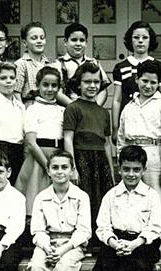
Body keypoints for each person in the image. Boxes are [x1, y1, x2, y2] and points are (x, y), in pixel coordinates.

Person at [93, 145, 161, 271]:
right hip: (116, 241)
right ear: (119, 168)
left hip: (143, 242)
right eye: (126, 169)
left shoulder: (151, 195)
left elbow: (154, 227)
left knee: (136, 267)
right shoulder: (111, 195)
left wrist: (133, 245)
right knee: (104, 269)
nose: (131, 174)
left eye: (136, 169)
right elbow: (102, 226)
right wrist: (114, 243)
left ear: (143, 169)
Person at [20, 150, 91, 271]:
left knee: (65, 265)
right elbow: (37, 230)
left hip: (71, 245)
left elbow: (84, 231)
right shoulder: (41, 197)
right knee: (37, 266)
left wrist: (61, 250)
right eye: (55, 167)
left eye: (64, 167)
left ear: (72, 170)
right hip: (47, 243)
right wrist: (48, 248)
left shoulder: (81, 197)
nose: (60, 172)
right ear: (48, 171)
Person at [118, 60, 161, 256]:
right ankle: (138, 247)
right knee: (135, 201)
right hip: (132, 155)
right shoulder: (130, 105)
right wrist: (121, 159)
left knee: (160, 204)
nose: (148, 86)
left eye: (153, 83)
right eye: (144, 81)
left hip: (155, 155)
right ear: (137, 80)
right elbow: (121, 134)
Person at [63, 62, 115, 237]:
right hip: (81, 157)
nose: (92, 86)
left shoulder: (103, 112)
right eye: (87, 82)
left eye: (96, 82)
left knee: (101, 200)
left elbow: (107, 143)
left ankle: (100, 238)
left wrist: (111, 168)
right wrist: (73, 168)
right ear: (79, 83)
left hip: (100, 160)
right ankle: (83, 238)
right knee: (83, 198)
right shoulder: (73, 108)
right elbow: (68, 138)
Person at [15, 67, 65, 217]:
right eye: (45, 84)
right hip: (39, 158)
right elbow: (31, 142)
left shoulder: (62, 110)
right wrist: (48, 167)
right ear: (37, 85)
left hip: (59, 157)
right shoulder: (32, 109)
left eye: (54, 85)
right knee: (35, 201)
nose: (50, 89)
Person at [112, 21, 161, 138]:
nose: (140, 41)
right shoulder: (121, 67)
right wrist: (115, 127)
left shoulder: (159, 67)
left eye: (145, 37)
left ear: (151, 40)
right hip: (129, 119)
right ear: (130, 40)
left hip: (152, 120)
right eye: (136, 37)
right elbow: (117, 100)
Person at [51, 23, 111, 106]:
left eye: (82, 40)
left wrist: (95, 107)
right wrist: (76, 108)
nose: (78, 44)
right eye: (74, 40)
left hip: (91, 109)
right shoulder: (58, 64)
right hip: (67, 109)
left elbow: (103, 89)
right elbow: (57, 92)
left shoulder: (93, 62)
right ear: (65, 41)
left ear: (86, 42)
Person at [14, 22, 51, 107]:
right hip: (29, 106)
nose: (39, 41)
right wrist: (23, 112)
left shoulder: (49, 64)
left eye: (42, 38)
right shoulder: (21, 64)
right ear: (24, 43)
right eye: (34, 38)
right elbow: (16, 93)